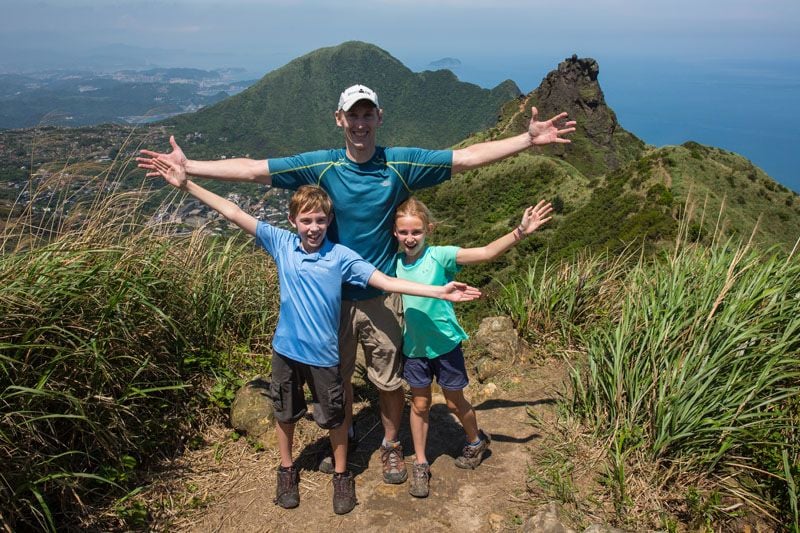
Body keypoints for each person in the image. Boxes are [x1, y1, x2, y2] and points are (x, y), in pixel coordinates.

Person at [138, 83, 576, 484]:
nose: (361, 123)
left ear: (379, 118)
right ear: (339, 119)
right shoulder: (322, 164)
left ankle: (389, 445)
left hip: (382, 294)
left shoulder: (399, 163)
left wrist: (526, 140)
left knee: (388, 380)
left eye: (368, 115)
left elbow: (463, 159)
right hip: (330, 301)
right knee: (339, 377)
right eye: (353, 116)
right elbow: (254, 170)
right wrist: (189, 167)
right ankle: (343, 440)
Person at [149, 158, 481, 514]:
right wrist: (187, 184)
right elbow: (232, 211)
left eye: (320, 220)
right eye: (306, 220)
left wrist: (438, 291)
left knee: (359, 399)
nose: (313, 227)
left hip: (342, 337)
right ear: (292, 222)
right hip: (291, 348)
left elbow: (385, 281)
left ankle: (365, 461)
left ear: (330, 222)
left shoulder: (340, 256)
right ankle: (292, 466)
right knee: (299, 406)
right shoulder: (281, 243)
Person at [392, 196, 553, 498]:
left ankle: (476, 441)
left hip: (445, 345)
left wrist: (520, 231)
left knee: (454, 403)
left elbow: (486, 253)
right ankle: (421, 463)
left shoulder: (440, 256)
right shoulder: (394, 263)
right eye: (403, 232)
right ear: (395, 233)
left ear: (429, 229)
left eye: (416, 231)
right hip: (413, 347)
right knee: (420, 404)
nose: (410, 238)